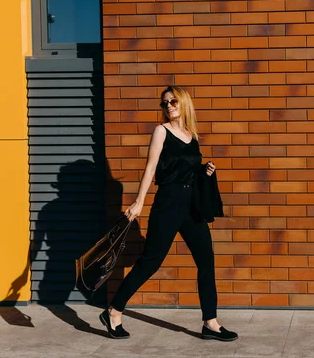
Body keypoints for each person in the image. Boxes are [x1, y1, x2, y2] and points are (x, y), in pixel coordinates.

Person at [99, 85, 238, 342]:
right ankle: (114, 311)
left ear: (184, 103)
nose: (169, 106)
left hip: (191, 206)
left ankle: (211, 322)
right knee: (150, 262)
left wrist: (204, 170)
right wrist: (139, 201)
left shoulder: (192, 135)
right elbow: (151, 168)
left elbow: (188, 169)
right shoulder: (161, 131)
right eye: (165, 103)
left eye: (173, 101)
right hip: (168, 204)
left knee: (206, 261)